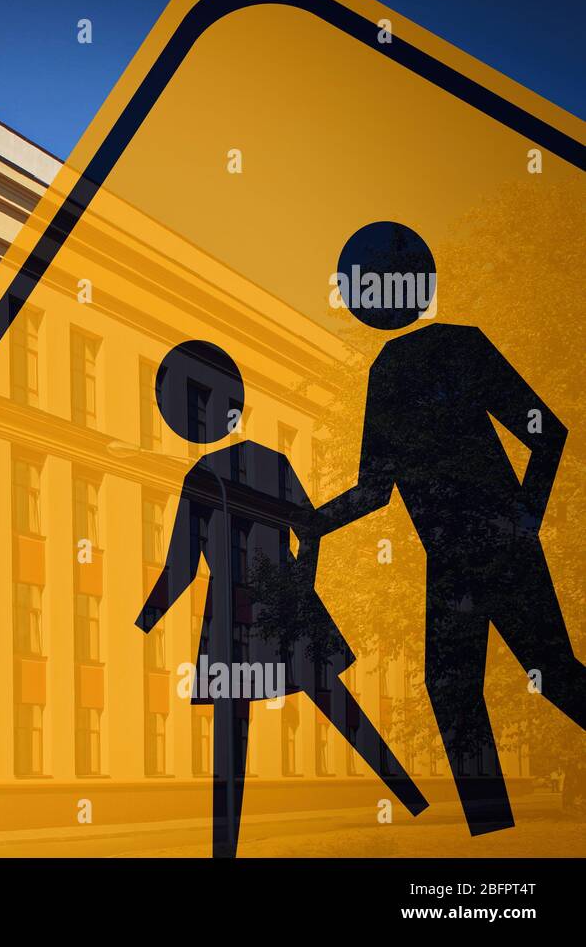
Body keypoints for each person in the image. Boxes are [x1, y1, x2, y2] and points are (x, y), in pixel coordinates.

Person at [318, 220, 586, 835]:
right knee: (480, 686)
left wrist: (523, 519)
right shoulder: (397, 368)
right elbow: (377, 490)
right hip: (460, 559)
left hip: (491, 547)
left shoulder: (446, 353)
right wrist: (313, 520)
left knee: (544, 676)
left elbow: (547, 432)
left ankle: (491, 824)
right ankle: (492, 830)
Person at [137, 339, 427, 858]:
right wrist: (301, 587)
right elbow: (310, 528)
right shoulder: (270, 462)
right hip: (279, 609)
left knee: (238, 728)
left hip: (235, 618)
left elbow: (180, 567)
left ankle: (223, 846)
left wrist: (145, 623)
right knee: (335, 706)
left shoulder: (202, 476)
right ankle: (411, 798)